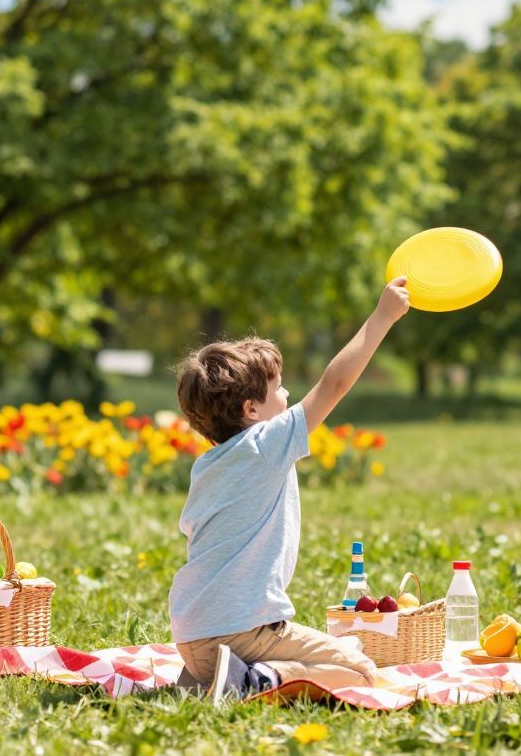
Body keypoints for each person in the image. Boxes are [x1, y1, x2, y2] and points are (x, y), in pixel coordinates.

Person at [168, 277, 411, 701]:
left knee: (336, 651)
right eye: (278, 388)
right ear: (251, 410)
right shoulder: (264, 444)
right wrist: (382, 317)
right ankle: (257, 680)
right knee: (361, 672)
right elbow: (334, 385)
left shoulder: (207, 466)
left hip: (192, 638)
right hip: (241, 632)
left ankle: (210, 678)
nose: (288, 394)